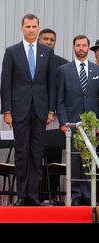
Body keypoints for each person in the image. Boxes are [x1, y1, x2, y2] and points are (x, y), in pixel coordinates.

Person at [0, 14, 56, 206]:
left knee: (37, 152)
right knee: (22, 152)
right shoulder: (12, 52)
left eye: (34, 27)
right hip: (19, 110)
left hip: (40, 110)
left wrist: (51, 109)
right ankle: (22, 195)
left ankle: (34, 195)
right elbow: (5, 82)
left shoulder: (47, 52)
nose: (31, 30)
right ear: (21, 28)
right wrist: (7, 110)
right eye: (28, 27)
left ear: (38, 28)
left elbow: (51, 83)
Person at [57, 35, 99, 206]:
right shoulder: (63, 70)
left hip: (92, 123)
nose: (81, 48)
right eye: (78, 45)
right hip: (72, 123)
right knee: (74, 160)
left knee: (89, 160)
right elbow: (59, 99)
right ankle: (75, 196)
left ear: (88, 48)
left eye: (84, 45)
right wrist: (63, 122)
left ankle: (89, 195)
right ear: (73, 47)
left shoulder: (97, 70)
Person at [38, 28, 68, 205]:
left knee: (54, 158)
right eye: (46, 39)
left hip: (54, 120)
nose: (49, 42)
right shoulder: (30, 61)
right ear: (39, 40)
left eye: (52, 39)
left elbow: (65, 93)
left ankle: (51, 195)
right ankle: (33, 195)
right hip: (33, 118)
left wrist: (54, 112)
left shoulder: (63, 65)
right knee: (33, 158)